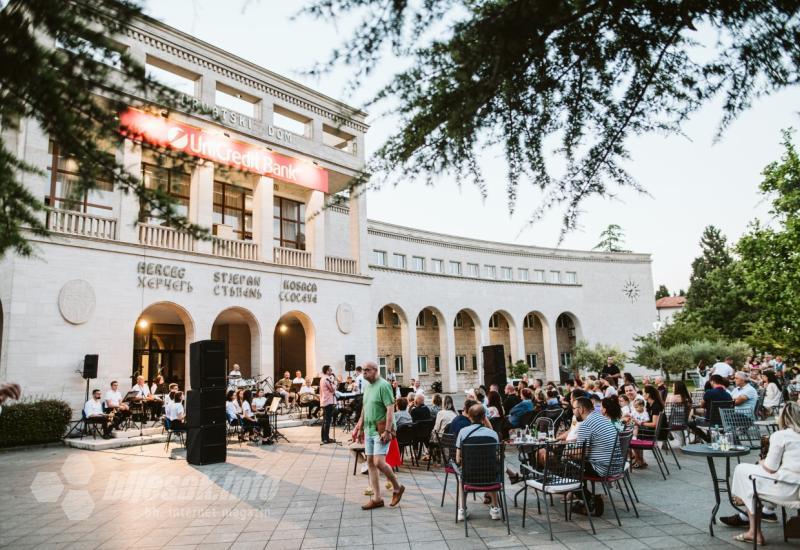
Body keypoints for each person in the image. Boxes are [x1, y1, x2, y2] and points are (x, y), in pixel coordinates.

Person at [724, 403, 800, 545]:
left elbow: (770, 468)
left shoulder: (781, 435)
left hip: (788, 490)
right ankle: (746, 501)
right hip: (795, 485)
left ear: (783, 419)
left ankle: (753, 529)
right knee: (749, 478)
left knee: (742, 470)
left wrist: (761, 462)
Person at [353, 361, 405, 510]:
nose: (364, 373)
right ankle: (377, 498)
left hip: (381, 429)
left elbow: (390, 410)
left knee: (378, 462)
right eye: (363, 370)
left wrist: (388, 431)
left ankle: (397, 487)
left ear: (375, 370)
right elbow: (365, 407)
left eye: (367, 370)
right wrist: (359, 426)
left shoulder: (384, 385)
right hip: (369, 429)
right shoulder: (368, 386)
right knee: (370, 462)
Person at [455, 404, 503, 522]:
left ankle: (462, 509)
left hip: (470, 476)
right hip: (490, 476)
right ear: (484, 417)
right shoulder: (493, 434)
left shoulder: (463, 432)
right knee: (490, 467)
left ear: (469, 417)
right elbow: (497, 456)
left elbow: (457, 459)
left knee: (461, 477)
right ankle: (495, 508)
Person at [573, 396, 620, 516]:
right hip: (615, 467)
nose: (573, 412)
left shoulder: (586, 424)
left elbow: (580, 454)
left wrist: (566, 453)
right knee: (570, 465)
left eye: (574, 408)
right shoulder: (603, 418)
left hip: (602, 469)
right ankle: (589, 500)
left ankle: (590, 501)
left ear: (581, 409)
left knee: (564, 469)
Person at [631, 386, 664, 468]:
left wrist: (640, 423)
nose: (642, 395)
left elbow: (654, 424)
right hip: (654, 431)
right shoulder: (650, 404)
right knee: (633, 432)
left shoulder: (656, 406)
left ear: (648, 394)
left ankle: (639, 460)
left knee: (632, 437)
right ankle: (639, 459)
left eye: (643, 393)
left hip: (656, 433)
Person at [320, 365, 337, 444]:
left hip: (325, 401)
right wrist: (335, 383)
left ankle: (324, 438)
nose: (331, 371)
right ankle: (326, 438)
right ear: (327, 371)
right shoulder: (327, 378)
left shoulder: (322, 378)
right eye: (330, 370)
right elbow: (332, 389)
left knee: (325, 420)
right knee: (328, 421)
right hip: (328, 402)